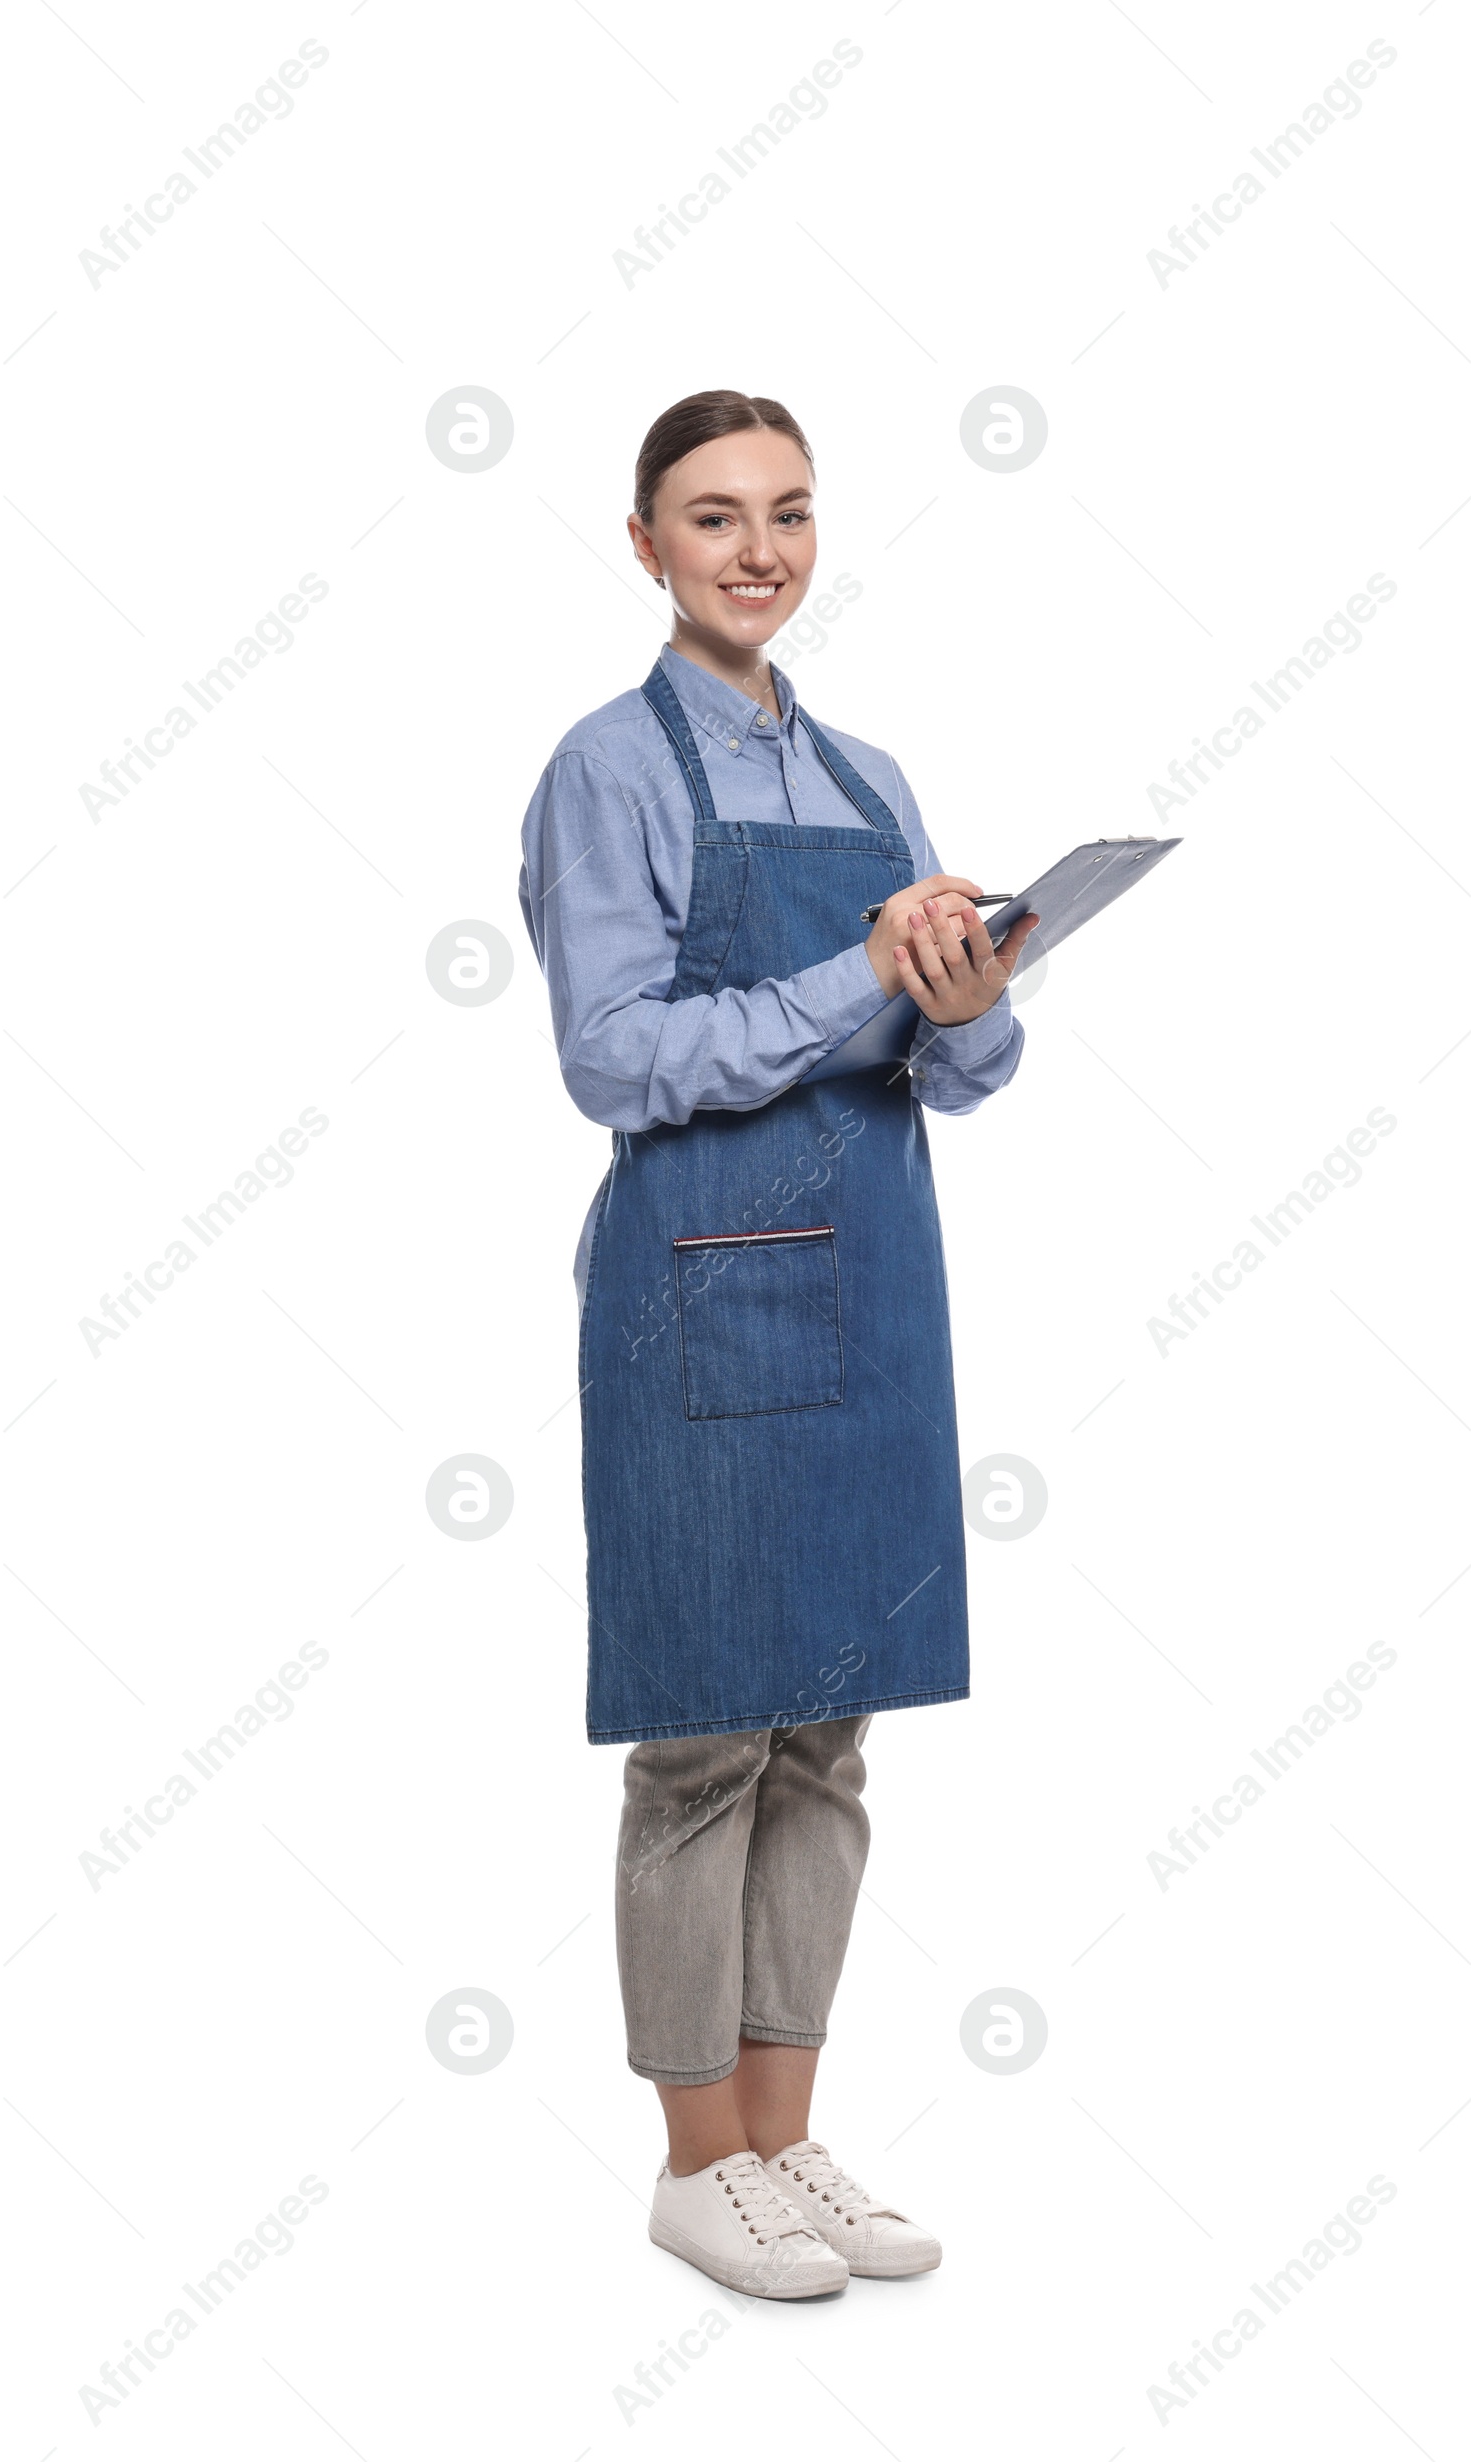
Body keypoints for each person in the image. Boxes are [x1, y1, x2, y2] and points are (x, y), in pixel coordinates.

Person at [518, 389, 1037, 2300]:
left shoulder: (876, 780)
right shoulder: (608, 768)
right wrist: (853, 974)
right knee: (705, 1737)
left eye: (792, 512)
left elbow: (960, 1071)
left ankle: (789, 2133)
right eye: (716, 514)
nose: (760, 548)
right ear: (642, 541)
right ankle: (691, 2156)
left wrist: (966, 993)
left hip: (875, 1283)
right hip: (701, 1286)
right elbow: (617, 1055)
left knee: (829, 1732)